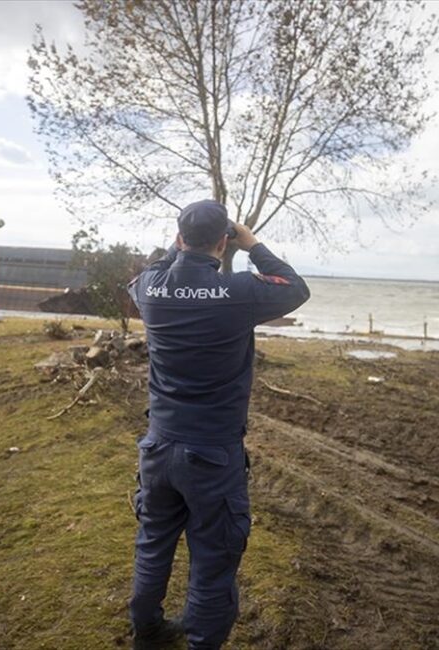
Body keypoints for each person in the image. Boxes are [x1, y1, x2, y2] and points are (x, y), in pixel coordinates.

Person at [127, 199, 310, 649]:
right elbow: (294, 287)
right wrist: (254, 244)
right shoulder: (240, 291)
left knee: (153, 544)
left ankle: (147, 633)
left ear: (178, 237)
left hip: (158, 447)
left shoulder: (150, 288)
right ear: (225, 241)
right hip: (211, 453)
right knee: (213, 560)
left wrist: (177, 253)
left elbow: (146, 274)